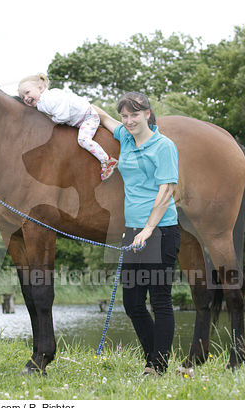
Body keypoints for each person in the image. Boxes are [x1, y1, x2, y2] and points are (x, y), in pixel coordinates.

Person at [93, 92, 181, 375]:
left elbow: (167, 189)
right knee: (132, 303)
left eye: (135, 115)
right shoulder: (126, 138)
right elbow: (103, 118)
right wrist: (64, 101)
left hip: (160, 231)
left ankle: (155, 365)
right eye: (125, 116)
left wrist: (148, 229)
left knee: (159, 300)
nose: (129, 120)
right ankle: (155, 360)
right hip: (133, 233)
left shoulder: (163, 146)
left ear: (147, 114)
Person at [18, 74, 118, 181]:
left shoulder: (49, 98)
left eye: (27, 93)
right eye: (22, 97)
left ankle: (107, 161)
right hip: (79, 120)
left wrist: (53, 120)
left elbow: (63, 115)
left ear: (40, 88)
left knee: (83, 140)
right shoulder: (41, 104)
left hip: (88, 117)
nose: (26, 98)